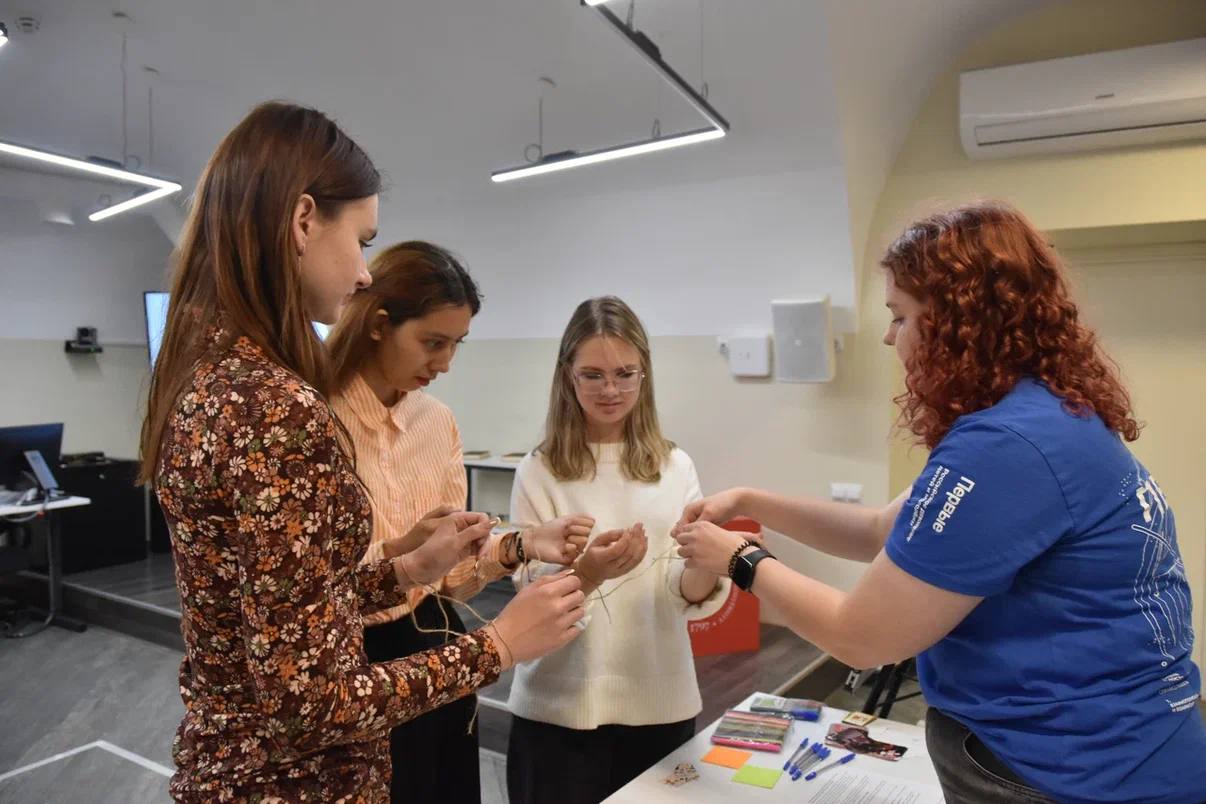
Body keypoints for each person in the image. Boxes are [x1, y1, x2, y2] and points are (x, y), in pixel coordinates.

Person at [672, 202, 1206, 804]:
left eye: (900, 316)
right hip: (1127, 749)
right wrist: (751, 500)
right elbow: (881, 530)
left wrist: (742, 559)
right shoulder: (1042, 414)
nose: (887, 335)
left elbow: (864, 638)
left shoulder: (1005, 448)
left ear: (958, 321)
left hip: (1074, 775)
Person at [139, 102, 585, 802]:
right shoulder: (273, 407)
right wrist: (498, 644)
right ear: (303, 221)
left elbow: (284, 611)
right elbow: (308, 704)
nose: (364, 273)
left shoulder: (215, 377)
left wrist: (404, 568)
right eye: (363, 239)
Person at [326, 241, 593, 803]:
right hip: (350, 658)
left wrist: (521, 545)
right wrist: (404, 559)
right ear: (378, 325)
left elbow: (448, 579)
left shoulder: (436, 421)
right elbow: (315, 585)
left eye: (456, 345)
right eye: (433, 342)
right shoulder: (315, 418)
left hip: (438, 638)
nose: (445, 363)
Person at [505, 296, 731, 804]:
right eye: (594, 375)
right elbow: (530, 600)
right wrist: (587, 572)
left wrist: (705, 564)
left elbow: (683, 591)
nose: (612, 390)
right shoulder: (539, 471)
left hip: (660, 702)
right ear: (567, 375)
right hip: (558, 708)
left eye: (626, 373)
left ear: (645, 374)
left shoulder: (674, 466)